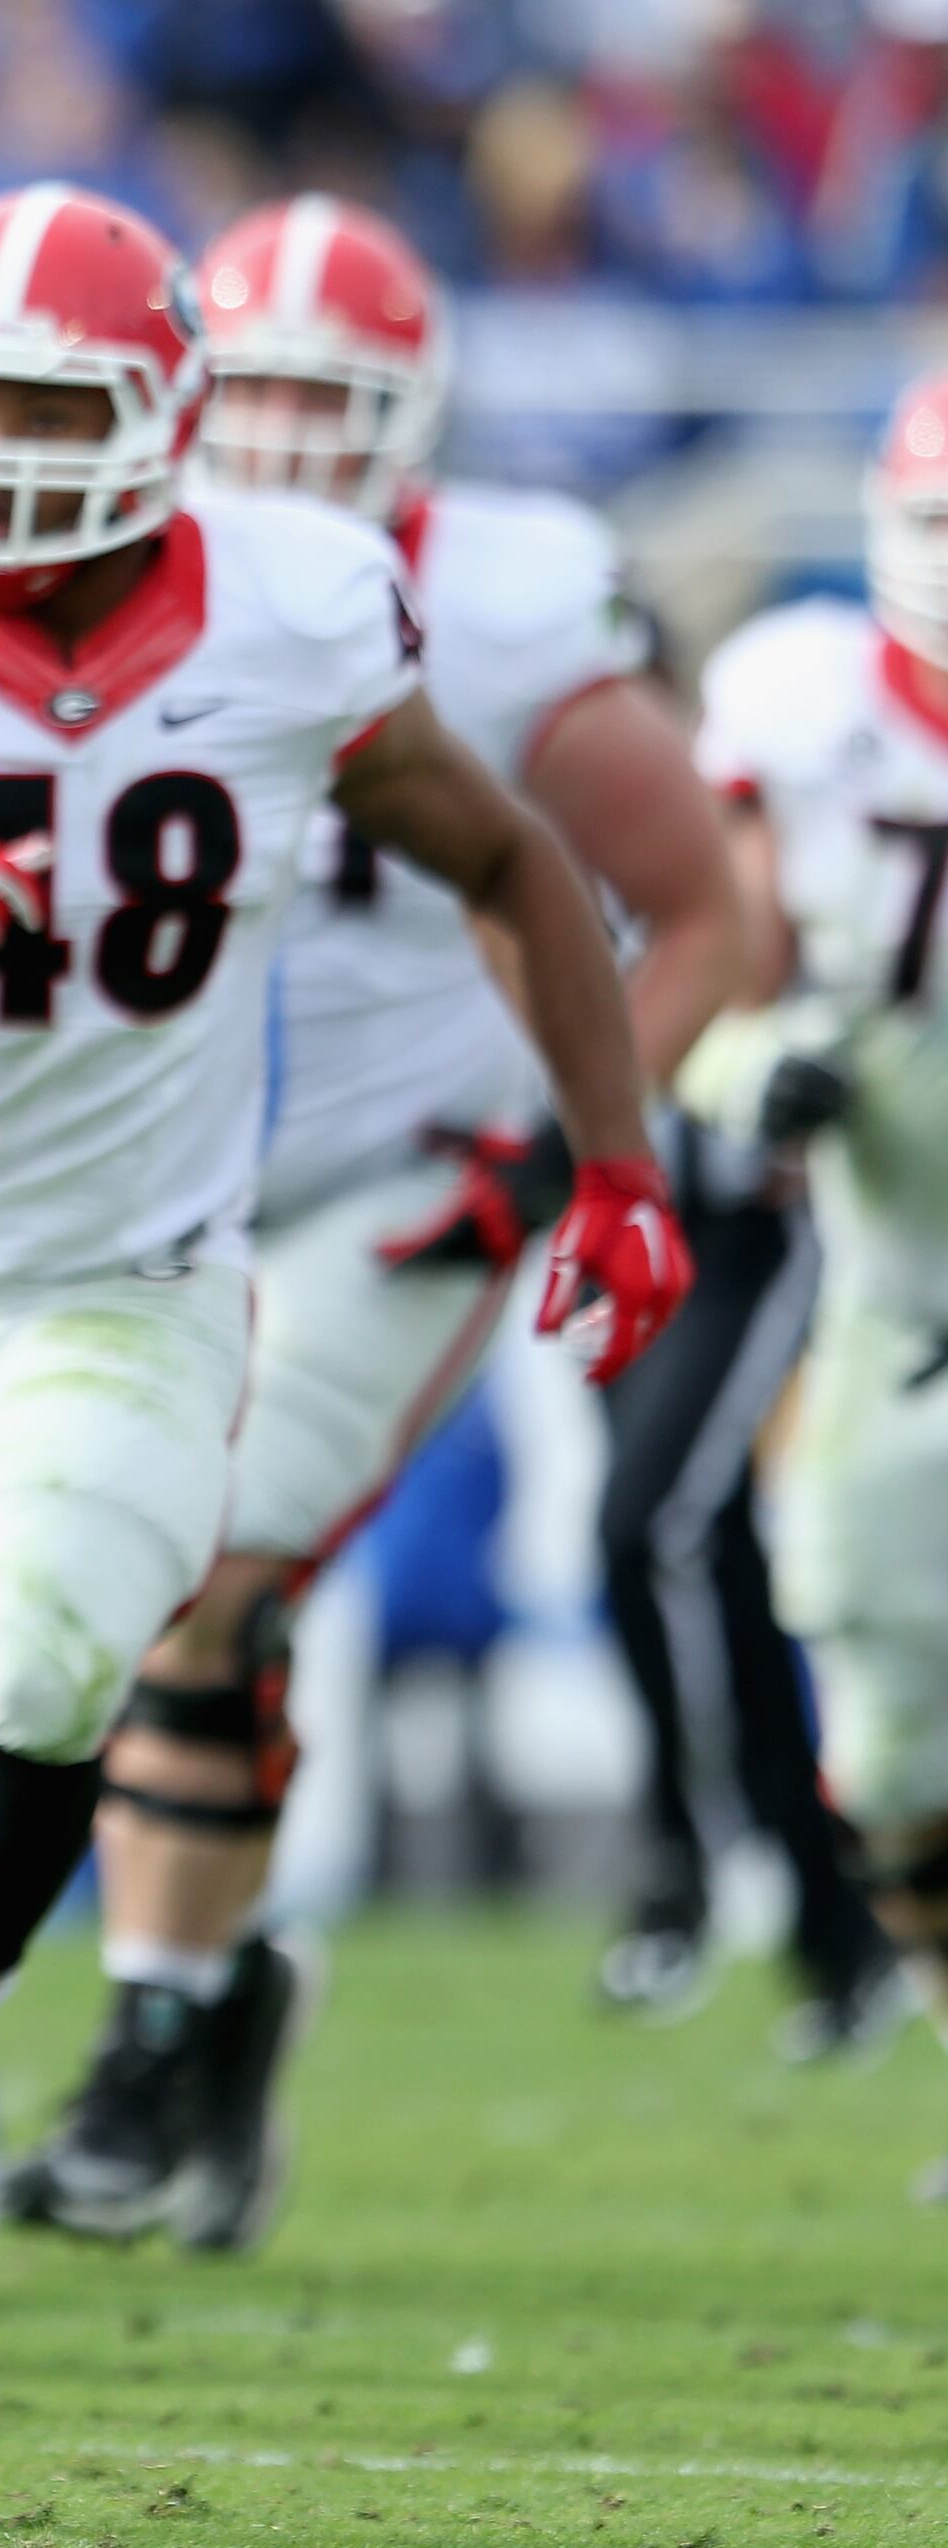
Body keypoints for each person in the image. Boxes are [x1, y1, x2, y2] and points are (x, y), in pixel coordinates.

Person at [0, 183, 681, 2409]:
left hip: (132, 1271)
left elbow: (514, 869)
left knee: (71, 1636)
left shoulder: (290, 611)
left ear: (157, 422)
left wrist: (622, 1155)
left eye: (39, 402)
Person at [0, 194, 754, 2250]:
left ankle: (152, 2045)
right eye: (255, 399)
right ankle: (219, 2003)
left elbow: (703, 909)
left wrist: (570, 1143)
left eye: (341, 408)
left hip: (408, 1168)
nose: (294, 448)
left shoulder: (512, 603)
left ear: (418, 419)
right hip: (140, 1168)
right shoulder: (84, 565)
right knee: (55, 1593)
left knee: (205, 1568)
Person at [674, 363, 948, 2194]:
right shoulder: (807, 701)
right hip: (900, 1277)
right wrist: (743, 1067)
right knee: (892, 1733)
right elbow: (725, 971)